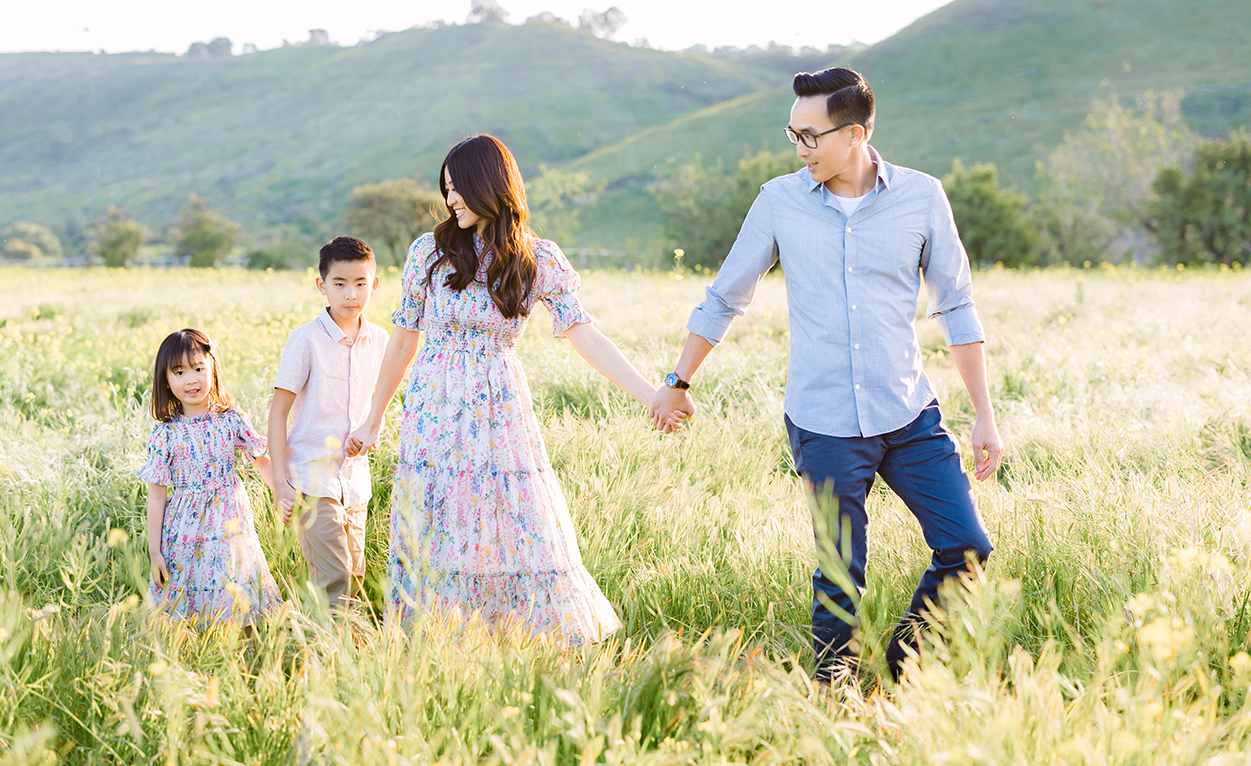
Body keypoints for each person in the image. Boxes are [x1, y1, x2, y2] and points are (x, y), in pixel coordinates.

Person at [648, 68, 1003, 682]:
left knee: (967, 546)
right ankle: (834, 700)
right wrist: (677, 382)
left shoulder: (922, 197)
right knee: (841, 576)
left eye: (811, 136)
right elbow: (726, 296)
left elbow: (956, 305)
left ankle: (900, 672)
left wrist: (985, 417)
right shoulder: (778, 201)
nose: (800, 149)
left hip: (909, 413)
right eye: (794, 135)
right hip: (824, 420)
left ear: (856, 134)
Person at [345, 133, 684, 646]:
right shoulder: (429, 251)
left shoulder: (538, 258)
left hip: (498, 409)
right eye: (446, 188)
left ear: (489, 185)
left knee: (511, 519)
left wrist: (652, 394)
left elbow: (586, 335)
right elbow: (403, 341)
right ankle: (438, 640)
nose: (450, 199)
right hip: (434, 407)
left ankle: (514, 639)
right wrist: (374, 417)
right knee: (438, 522)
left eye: (458, 187)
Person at [268, 236, 390, 614]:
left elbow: (377, 405)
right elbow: (277, 413)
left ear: (374, 284)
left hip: (354, 481)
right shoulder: (305, 340)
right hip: (311, 478)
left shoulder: (381, 340)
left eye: (360, 283)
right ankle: (325, 647)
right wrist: (280, 483)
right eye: (340, 283)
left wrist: (371, 430)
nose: (351, 294)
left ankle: (342, 645)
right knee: (334, 576)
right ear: (322, 285)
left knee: (355, 574)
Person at [139, 327, 283, 626]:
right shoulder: (165, 433)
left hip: (230, 523)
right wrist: (155, 551)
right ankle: (194, 644)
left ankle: (242, 645)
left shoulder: (231, 419)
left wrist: (282, 493)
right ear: (165, 380)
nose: (191, 379)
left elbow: (262, 461)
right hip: (184, 529)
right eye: (179, 372)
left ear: (212, 368)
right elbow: (157, 496)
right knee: (185, 598)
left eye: (198, 368)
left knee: (236, 584)